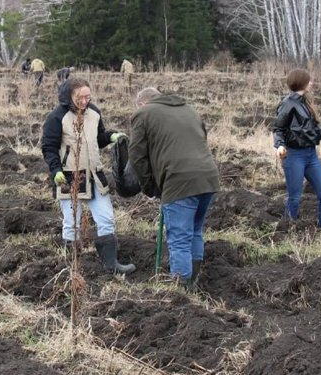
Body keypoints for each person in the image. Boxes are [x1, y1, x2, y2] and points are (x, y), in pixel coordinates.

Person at [129, 87, 220, 292]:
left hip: (179, 180)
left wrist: (150, 187)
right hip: (207, 176)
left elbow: (136, 156)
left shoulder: (143, 114)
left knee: (179, 238)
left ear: (142, 104)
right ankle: (192, 284)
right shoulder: (189, 109)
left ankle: (180, 292)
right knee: (194, 231)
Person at [41, 78, 134, 274]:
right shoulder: (57, 118)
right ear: (69, 96)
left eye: (87, 97)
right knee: (72, 222)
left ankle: (111, 265)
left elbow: (98, 138)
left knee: (106, 218)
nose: (84, 101)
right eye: (79, 97)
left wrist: (111, 137)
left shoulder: (94, 113)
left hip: (95, 175)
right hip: (69, 176)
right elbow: (49, 148)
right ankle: (71, 268)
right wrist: (56, 170)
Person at [272, 69, 321, 228]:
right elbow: (278, 129)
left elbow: (311, 133)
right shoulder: (288, 104)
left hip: (311, 155)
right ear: (301, 82)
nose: (311, 83)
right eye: (309, 80)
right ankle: (287, 230)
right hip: (293, 155)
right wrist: (279, 146)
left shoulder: (305, 103)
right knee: (295, 197)